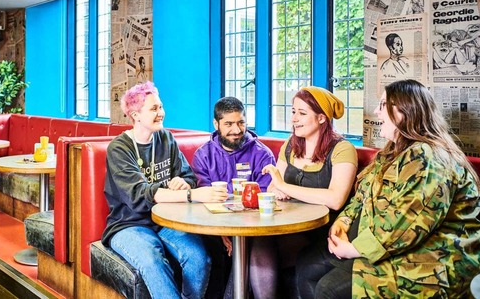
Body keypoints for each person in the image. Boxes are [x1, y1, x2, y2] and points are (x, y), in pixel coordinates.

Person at [297, 79, 480, 298]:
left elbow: (406, 224)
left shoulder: (428, 157)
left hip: (434, 260)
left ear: (405, 112)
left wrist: (353, 250)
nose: (376, 111)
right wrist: (343, 222)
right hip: (384, 243)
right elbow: (361, 196)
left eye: (383, 105)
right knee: (306, 267)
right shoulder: (391, 152)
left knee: (328, 289)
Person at [101, 81, 229, 299]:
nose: (161, 113)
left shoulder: (166, 138)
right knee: (152, 260)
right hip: (128, 224)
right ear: (135, 115)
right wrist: (189, 194)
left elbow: (188, 176)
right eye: (153, 109)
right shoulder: (119, 148)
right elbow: (139, 195)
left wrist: (183, 183)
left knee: (198, 257)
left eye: (160, 107)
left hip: (166, 221)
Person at [254, 86, 358, 298]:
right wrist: (277, 189)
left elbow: (336, 199)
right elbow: (275, 186)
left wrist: (285, 187)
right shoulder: (290, 145)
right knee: (256, 243)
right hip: (289, 225)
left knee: (262, 247)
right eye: (293, 112)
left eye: (302, 113)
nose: (294, 118)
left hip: (324, 230)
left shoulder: (342, 149)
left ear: (321, 118)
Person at [192, 96, 276, 298]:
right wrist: (221, 232)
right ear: (216, 124)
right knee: (209, 250)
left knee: (248, 250)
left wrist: (238, 231)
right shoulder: (203, 156)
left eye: (241, 122)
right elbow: (203, 202)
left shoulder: (262, 154)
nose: (237, 130)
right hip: (214, 226)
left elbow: (265, 198)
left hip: (255, 229)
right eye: (229, 124)